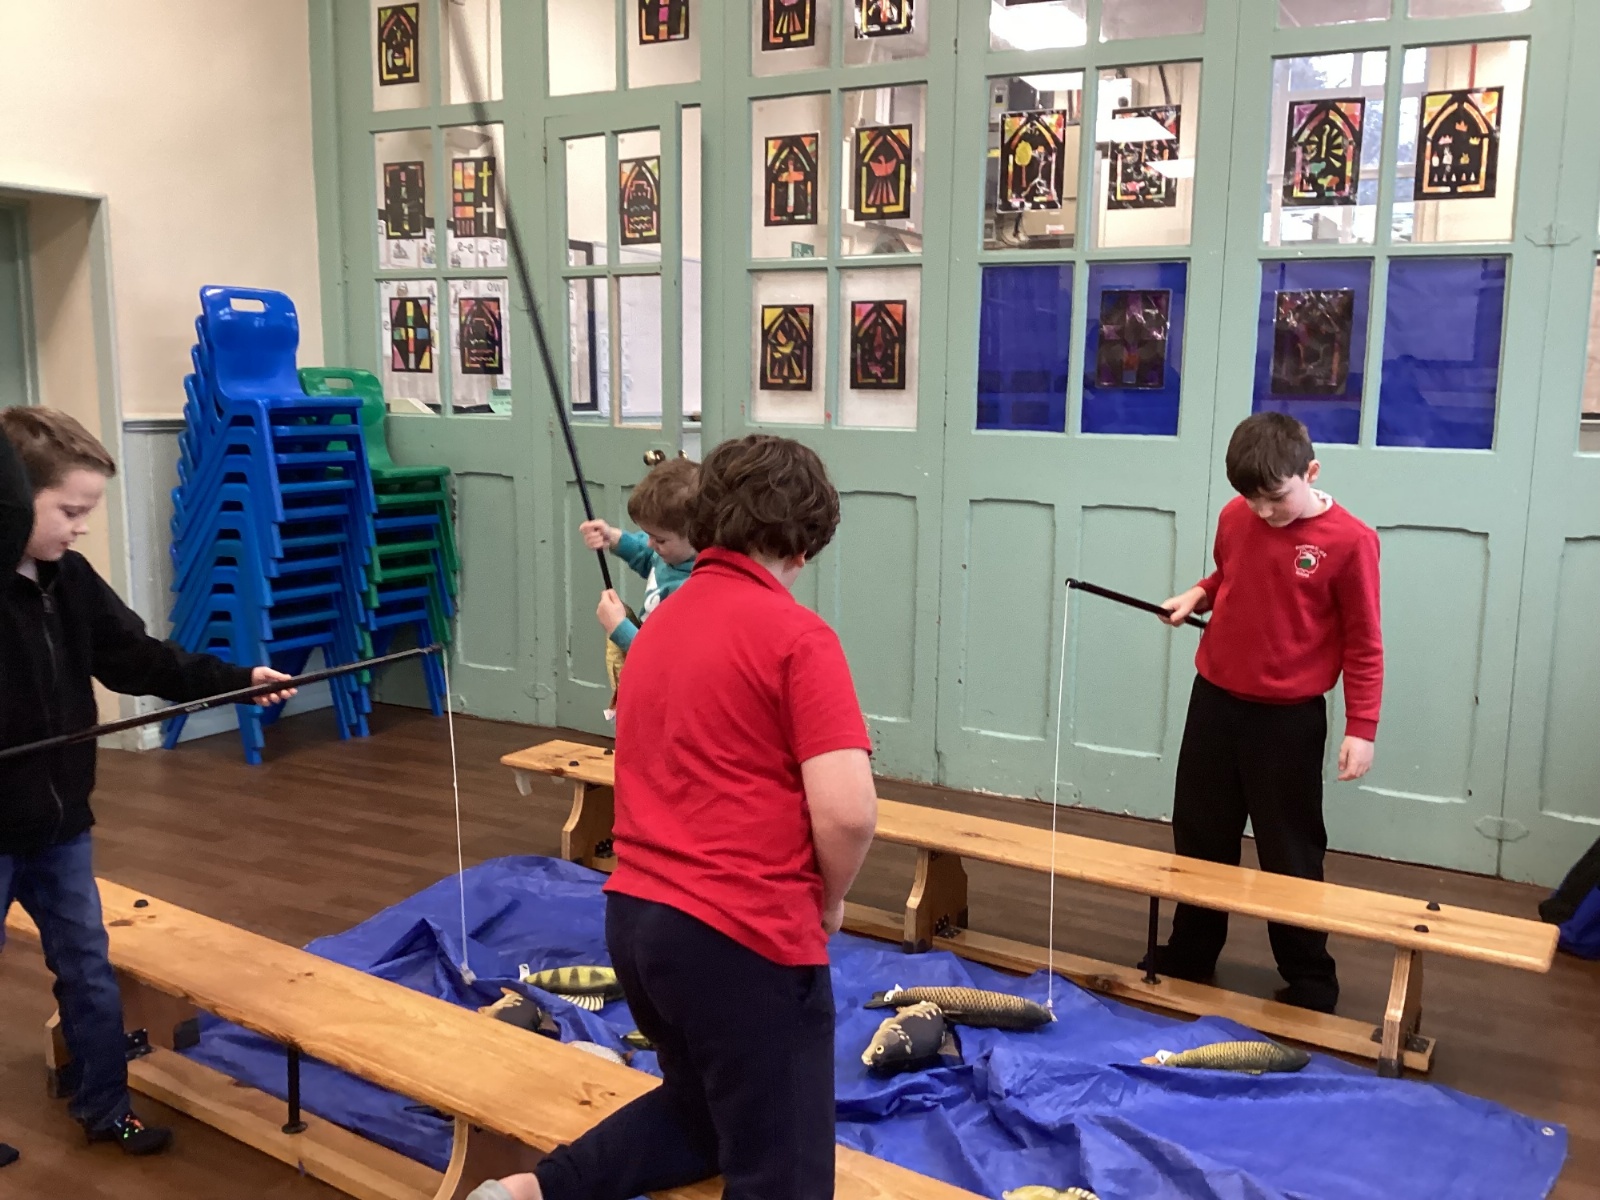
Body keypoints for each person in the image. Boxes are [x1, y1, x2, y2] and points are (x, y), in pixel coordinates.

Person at [471, 435, 878, 1200]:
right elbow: (849, 813)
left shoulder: (656, 628)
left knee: (701, 1110)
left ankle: (532, 1192)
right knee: (784, 1174)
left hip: (637, 922)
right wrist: (829, 899)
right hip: (740, 935)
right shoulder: (799, 638)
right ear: (803, 543)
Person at [0, 407, 296, 1156]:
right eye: (69, 510)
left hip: (62, 828)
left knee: (89, 970)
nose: (81, 527)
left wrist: (236, 681)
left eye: (88, 511)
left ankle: (106, 1107)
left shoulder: (68, 580)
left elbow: (139, 659)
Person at [1149, 412, 1382, 1014]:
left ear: (1311, 472)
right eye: (1252, 499)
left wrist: (1362, 728)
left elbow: (1363, 643)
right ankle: (1192, 951)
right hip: (1215, 701)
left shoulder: (1351, 542)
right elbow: (1232, 573)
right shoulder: (1238, 516)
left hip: (1287, 721)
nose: (1264, 511)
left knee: (1290, 851)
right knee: (1200, 834)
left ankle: (1310, 978)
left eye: (1276, 498)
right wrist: (1199, 593)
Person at [577, 456, 698, 716]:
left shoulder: (692, 590)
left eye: (660, 539)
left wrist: (619, 628)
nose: (651, 543)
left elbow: (662, 658)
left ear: (699, 535)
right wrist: (613, 538)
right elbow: (647, 556)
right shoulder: (672, 556)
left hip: (667, 696)